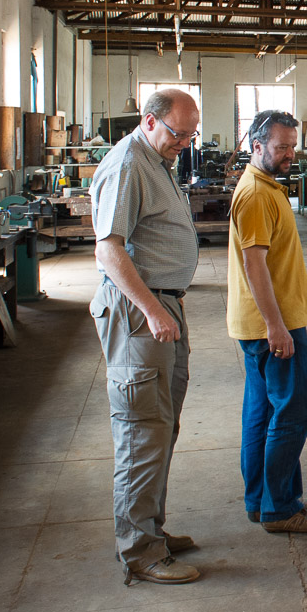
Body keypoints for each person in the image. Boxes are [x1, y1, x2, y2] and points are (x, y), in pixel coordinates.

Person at [89, 88, 203, 584]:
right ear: (150, 121)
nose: (185, 143)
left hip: (161, 306)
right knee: (141, 430)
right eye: (179, 133)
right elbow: (109, 251)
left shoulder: (157, 160)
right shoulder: (128, 164)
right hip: (141, 313)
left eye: (191, 135)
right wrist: (153, 309)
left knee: (161, 426)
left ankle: (151, 530)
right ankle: (139, 550)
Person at [227, 109, 307, 534]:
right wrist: (276, 326)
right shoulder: (256, 194)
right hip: (273, 325)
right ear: (257, 146)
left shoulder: (265, 186)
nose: (291, 154)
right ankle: (281, 508)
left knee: (263, 413)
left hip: (262, 323)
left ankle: (260, 501)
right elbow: (254, 265)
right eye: (281, 147)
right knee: (294, 413)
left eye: (293, 146)